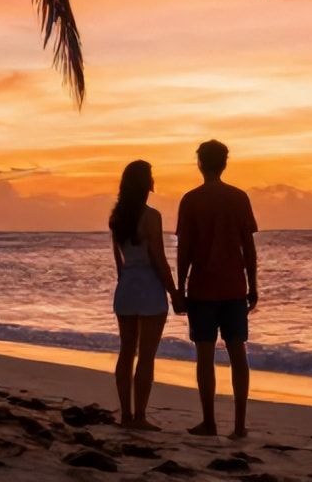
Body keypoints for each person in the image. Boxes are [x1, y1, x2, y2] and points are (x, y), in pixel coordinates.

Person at [175, 139, 259, 438]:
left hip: (202, 289)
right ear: (224, 163)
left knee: (205, 356)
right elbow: (248, 248)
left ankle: (209, 421)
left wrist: (179, 288)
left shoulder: (190, 200)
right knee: (238, 354)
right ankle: (239, 425)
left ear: (200, 163)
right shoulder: (239, 197)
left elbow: (183, 250)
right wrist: (253, 284)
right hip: (234, 286)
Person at [109, 159, 180, 430]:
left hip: (126, 286)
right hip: (149, 287)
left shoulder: (117, 218)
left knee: (126, 352)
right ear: (145, 182)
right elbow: (158, 258)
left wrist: (125, 280)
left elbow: (119, 261)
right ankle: (139, 416)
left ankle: (125, 415)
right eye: (151, 175)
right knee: (146, 355)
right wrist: (174, 291)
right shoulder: (151, 216)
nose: (154, 179)